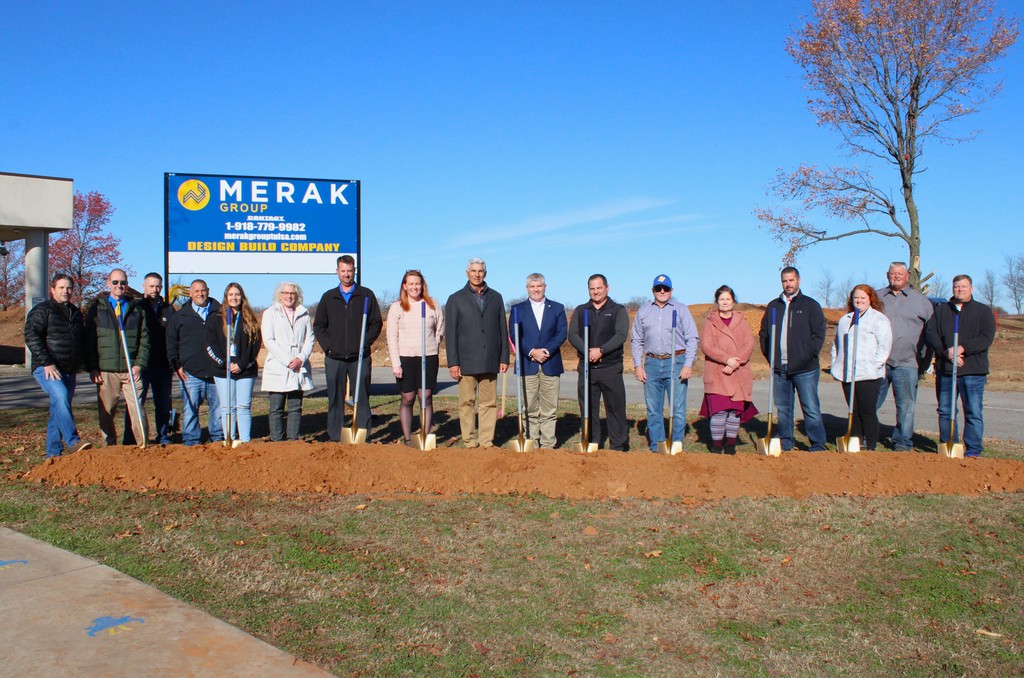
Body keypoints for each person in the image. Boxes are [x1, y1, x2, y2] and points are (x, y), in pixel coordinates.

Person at [925, 274, 995, 458]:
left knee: (973, 410)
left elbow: (986, 337)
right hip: (946, 370)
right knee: (946, 410)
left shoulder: (983, 311)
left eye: (964, 286)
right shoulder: (941, 311)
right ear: (953, 288)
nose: (960, 289)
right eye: (957, 286)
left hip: (973, 370)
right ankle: (950, 443)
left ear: (971, 288)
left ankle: (973, 449)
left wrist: (963, 349)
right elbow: (931, 333)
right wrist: (946, 352)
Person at [313, 255, 383, 442]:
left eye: (349, 271)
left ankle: (363, 435)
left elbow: (375, 322)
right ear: (337, 272)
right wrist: (328, 347)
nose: (346, 274)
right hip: (334, 358)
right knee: (335, 398)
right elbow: (319, 325)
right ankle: (335, 435)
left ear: (354, 271)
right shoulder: (328, 297)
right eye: (342, 271)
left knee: (362, 397)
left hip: (359, 357)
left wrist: (365, 343)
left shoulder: (366, 295)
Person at [758, 266, 827, 452]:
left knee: (810, 408)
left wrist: (808, 355)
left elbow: (819, 334)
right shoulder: (774, 306)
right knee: (783, 408)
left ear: (799, 281)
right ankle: (786, 442)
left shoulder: (810, 305)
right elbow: (764, 333)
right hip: (780, 368)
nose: (788, 284)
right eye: (784, 281)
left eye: (791, 280)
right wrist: (771, 357)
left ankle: (817, 443)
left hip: (805, 369)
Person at [24, 274, 92, 458]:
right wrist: (47, 363)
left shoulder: (76, 313)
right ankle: (72, 441)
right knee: (60, 396)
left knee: (58, 409)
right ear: (52, 290)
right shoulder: (42, 311)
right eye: (61, 287)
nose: (66, 291)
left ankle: (53, 454)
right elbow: (32, 336)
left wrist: (85, 365)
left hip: (69, 369)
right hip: (46, 367)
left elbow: (80, 341)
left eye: (69, 288)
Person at [445, 258, 509, 448]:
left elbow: (502, 330)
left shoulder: (496, 297)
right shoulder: (455, 299)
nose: (477, 274)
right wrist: (453, 363)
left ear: (485, 273)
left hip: (490, 359)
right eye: (473, 271)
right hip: (465, 361)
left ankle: (486, 440)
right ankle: (469, 440)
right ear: (467, 273)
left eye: (480, 271)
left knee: (489, 403)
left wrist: (504, 357)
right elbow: (450, 334)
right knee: (466, 403)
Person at [631, 274, 698, 453]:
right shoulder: (644, 311)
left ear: (671, 290)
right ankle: (657, 447)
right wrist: (638, 365)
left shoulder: (681, 309)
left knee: (677, 409)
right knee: (653, 409)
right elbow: (636, 340)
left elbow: (692, 338)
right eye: (658, 289)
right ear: (653, 290)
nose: (662, 292)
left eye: (666, 289)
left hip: (676, 361)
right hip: (652, 363)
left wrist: (688, 364)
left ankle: (675, 446)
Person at [83, 269, 149, 448]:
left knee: (137, 410)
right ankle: (109, 447)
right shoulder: (97, 309)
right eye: (115, 282)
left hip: (131, 370)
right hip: (107, 370)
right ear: (108, 283)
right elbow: (89, 340)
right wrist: (93, 367)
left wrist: (139, 365)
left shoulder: (136, 309)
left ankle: (143, 444)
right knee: (106, 412)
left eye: (123, 283)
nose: (119, 286)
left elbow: (145, 340)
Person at [876, 261, 934, 450]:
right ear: (887, 274)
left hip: (908, 363)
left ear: (908, 275)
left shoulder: (921, 301)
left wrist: (924, 362)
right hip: (878, 363)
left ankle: (902, 442)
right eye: (893, 273)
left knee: (906, 407)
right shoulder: (876, 297)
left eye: (900, 273)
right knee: (870, 403)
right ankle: (865, 436)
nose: (897, 276)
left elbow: (931, 332)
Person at [568, 274, 630, 451]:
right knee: (588, 409)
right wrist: (587, 350)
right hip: (587, 369)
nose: (596, 292)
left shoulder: (618, 310)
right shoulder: (581, 310)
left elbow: (620, 335)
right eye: (592, 288)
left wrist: (601, 350)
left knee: (615, 409)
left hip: (610, 368)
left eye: (599, 288)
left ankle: (618, 445)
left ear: (607, 288)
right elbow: (572, 335)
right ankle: (591, 443)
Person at [830, 285, 893, 451]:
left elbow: (884, 346)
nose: (859, 301)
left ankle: (870, 444)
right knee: (854, 410)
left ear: (870, 299)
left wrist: (874, 365)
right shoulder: (845, 319)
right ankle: (855, 442)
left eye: (863, 298)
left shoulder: (878, 319)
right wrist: (835, 362)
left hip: (868, 374)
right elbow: (837, 344)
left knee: (867, 411)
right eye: (856, 298)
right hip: (847, 372)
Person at [509, 273, 566, 449]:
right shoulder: (517, 309)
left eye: (539, 286)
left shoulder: (557, 308)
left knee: (549, 409)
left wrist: (546, 351)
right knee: (530, 409)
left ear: (545, 287)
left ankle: (548, 444)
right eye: (532, 286)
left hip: (551, 363)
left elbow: (561, 333)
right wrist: (532, 351)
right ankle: (531, 443)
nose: (536, 289)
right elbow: (514, 334)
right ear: (527, 288)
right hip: (528, 364)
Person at [387, 270, 445, 443]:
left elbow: (440, 328)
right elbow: (391, 336)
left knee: (425, 397)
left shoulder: (432, 304)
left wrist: (431, 345)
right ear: (404, 286)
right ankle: (407, 438)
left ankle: (424, 436)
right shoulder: (396, 307)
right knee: (408, 397)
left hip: (428, 357)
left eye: (417, 283)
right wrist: (396, 363)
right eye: (411, 283)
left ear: (422, 285)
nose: (414, 287)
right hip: (405, 358)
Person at [699, 285, 758, 454]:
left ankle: (731, 444)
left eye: (728, 299)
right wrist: (726, 360)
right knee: (719, 411)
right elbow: (707, 345)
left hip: (738, 372)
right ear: (717, 301)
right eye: (721, 299)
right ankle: (717, 445)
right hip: (718, 372)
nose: (725, 302)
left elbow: (749, 344)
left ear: (733, 302)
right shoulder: (710, 322)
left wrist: (735, 363)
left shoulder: (742, 321)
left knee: (734, 412)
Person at [167, 279, 223, 446]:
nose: (200, 294)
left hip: (216, 373)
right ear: (190, 293)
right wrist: (176, 365)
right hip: (191, 373)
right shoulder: (180, 316)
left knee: (218, 411)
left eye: (203, 290)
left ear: (208, 291)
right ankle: (191, 441)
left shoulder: (219, 313)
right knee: (190, 410)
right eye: (196, 291)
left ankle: (218, 439)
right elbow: (171, 343)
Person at [124, 272, 175, 446]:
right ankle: (130, 439)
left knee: (162, 405)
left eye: (158, 286)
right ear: (144, 287)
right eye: (151, 286)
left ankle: (163, 436)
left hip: (163, 366)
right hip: (142, 365)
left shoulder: (168, 309)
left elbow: (174, 336)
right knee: (136, 404)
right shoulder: (136, 308)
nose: (155, 289)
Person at [208, 282, 262, 445]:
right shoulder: (216, 318)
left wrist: (241, 364)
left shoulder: (249, 319)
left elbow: (255, 345)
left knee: (243, 406)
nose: (234, 297)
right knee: (227, 407)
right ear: (226, 297)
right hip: (223, 371)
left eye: (237, 294)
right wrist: (225, 364)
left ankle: (245, 441)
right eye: (231, 294)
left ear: (242, 297)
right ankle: (229, 439)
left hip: (245, 370)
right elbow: (211, 344)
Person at [261, 282, 315, 442]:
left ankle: (293, 440)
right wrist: (288, 360)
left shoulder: (304, 313)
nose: (289, 296)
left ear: (297, 296)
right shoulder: (270, 313)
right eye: (285, 293)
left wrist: (300, 358)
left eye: (292, 293)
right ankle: (277, 440)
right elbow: (269, 340)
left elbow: (310, 339)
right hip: (278, 365)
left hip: (299, 366)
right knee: (276, 407)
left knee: (295, 407)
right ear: (279, 295)